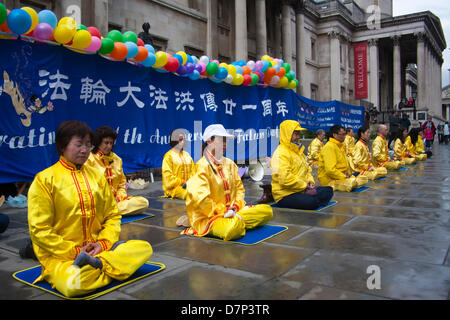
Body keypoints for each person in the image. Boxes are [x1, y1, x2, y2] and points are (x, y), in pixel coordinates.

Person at [27, 120, 152, 298]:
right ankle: (111, 265)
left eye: (88, 145)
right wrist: (76, 251)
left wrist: (103, 243)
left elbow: (112, 215)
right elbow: (39, 231)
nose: (85, 150)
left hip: (98, 249)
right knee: (73, 284)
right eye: (79, 145)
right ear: (62, 146)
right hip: (62, 258)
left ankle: (99, 263)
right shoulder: (45, 180)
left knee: (144, 248)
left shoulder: (96, 177)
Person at [182, 124, 273, 241]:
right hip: (209, 216)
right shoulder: (201, 166)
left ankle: (236, 219)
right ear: (209, 142)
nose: (224, 144)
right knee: (233, 228)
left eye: (225, 141)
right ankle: (234, 221)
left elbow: (240, 189)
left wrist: (235, 207)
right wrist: (224, 212)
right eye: (221, 140)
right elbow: (201, 201)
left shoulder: (229, 163)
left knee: (267, 211)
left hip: (233, 211)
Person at [86, 126, 149, 216]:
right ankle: (108, 212)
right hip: (98, 202)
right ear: (98, 143)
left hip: (117, 202)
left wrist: (119, 197)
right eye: (106, 143)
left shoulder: (117, 159)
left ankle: (109, 212)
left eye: (111, 143)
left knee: (143, 202)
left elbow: (122, 184)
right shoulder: (89, 159)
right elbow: (88, 186)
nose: (109, 146)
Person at [271, 120, 333, 210]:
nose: (298, 137)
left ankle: (312, 197)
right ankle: (313, 199)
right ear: (287, 134)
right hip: (286, 194)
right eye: (295, 134)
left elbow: (308, 170)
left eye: (298, 134)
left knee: (329, 190)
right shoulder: (280, 153)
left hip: (302, 190)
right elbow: (285, 179)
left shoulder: (298, 152)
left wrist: (310, 182)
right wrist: (304, 185)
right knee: (311, 202)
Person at [318, 125, 368, 192]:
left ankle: (350, 180)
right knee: (352, 183)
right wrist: (344, 176)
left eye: (345, 134)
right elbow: (330, 170)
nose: (345, 136)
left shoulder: (340, 145)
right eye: (343, 134)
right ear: (335, 135)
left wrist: (348, 174)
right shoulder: (329, 147)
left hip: (342, 177)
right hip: (330, 180)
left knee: (364, 178)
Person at [162, 129, 195, 200]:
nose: (182, 142)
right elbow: (167, 179)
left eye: (183, 140)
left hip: (189, 186)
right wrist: (183, 182)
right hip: (174, 189)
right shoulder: (168, 156)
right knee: (191, 195)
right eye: (180, 140)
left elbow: (194, 172)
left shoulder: (187, 155)